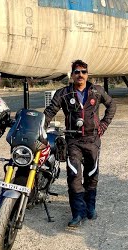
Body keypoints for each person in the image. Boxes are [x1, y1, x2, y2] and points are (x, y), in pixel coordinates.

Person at [43, 60, 116, 228]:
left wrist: (103, 124)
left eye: (83, 72)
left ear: (87, 74)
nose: (80, 75)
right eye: (77, 72)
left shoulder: (96, 91)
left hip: (92, 140)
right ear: (72, 74)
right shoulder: (63, 94)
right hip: (73, 141)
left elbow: (111, 105)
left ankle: (90, 207)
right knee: (74, 176)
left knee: (92, 175)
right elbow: (49, 113)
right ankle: (78, 213)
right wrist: (40, 129)